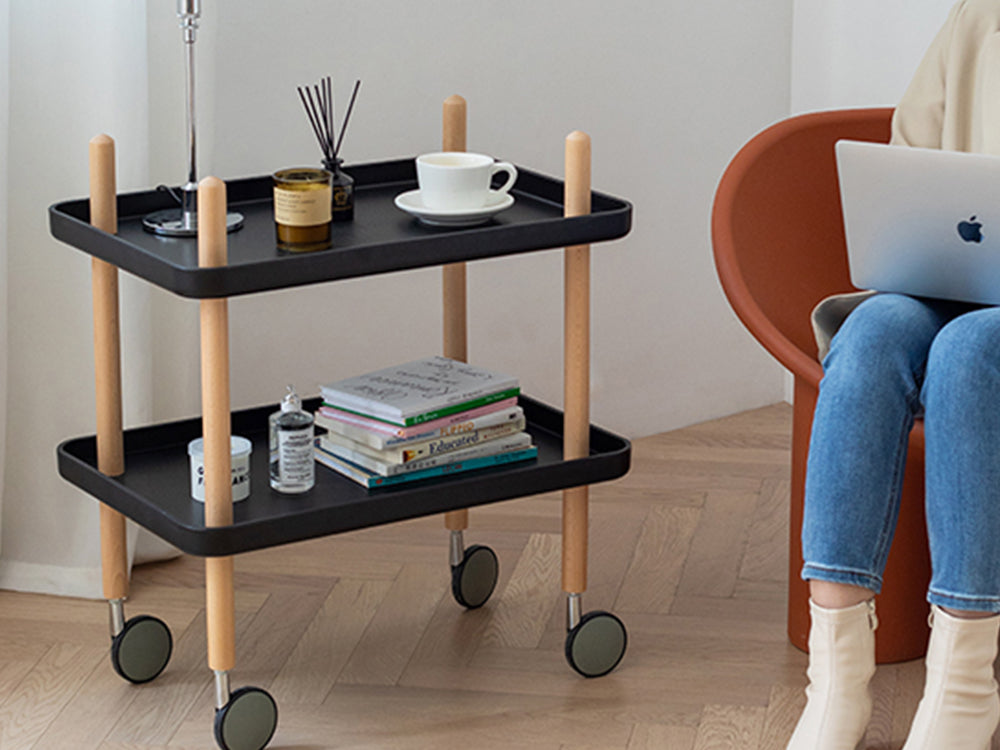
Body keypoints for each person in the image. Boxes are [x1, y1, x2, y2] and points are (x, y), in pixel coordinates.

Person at [787, 2, 1000, 749]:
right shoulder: (981, 18)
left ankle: (965, 690)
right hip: (955, 278)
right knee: (870, 335)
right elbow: (912, 155)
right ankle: (834, 687)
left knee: (969, 351)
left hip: (982, 327)